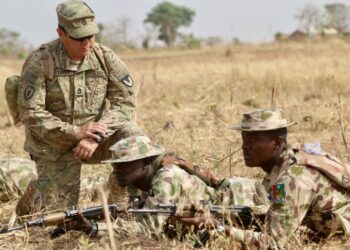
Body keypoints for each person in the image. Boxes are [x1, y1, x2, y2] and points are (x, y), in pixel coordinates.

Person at [16, 0, 143, 215]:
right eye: (79, 38)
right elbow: (31, 113)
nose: (87, 43)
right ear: (61, 33)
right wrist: (75, 132)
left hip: (96, 140)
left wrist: (94, 136)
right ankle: (36, 194)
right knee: (59, 216)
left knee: (134, 139)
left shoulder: (104, 57)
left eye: (91, 36)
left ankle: (118, 207)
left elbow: (125, 101)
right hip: (54, 144)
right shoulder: (40, 61)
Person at [179, 108, 350, 249]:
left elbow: (273, 244)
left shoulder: (293, 178)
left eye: (253, 139)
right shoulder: (283, 163)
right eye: (244, 138)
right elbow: (273, 213)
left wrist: (218, 226)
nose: (244, 146)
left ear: (276, 142)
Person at [60, 135, 269, 240]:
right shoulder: (133, 179)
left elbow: (149, 229)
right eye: (115, 165)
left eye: (125, 164)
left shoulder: (166, 178)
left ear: (145, 163)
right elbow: (128, 213)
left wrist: (93, 229)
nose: (117, 170)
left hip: (247, 202)